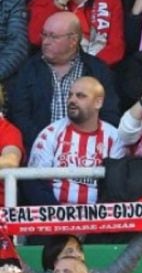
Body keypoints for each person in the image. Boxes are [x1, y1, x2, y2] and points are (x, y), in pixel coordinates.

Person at [8, 11, 119, 148]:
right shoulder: (28, 69)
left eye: (53, 37)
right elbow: (20, 116)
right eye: (44, 35)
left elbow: (110, 114)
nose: (46, 42)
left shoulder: (97, 70)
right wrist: (46, 144)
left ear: (73, 40)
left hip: (88, 152)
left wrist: (85, 144)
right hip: (40, 151)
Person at [26, 76, 125, 206]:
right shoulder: (50, 133)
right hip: (55, 214)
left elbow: (116, 185)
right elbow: (35, 182)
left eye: (81, 96)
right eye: (70, 95)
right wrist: (59, 212)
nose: (72, 100)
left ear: (98, 103)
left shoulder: (113, 136)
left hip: (99, 217)